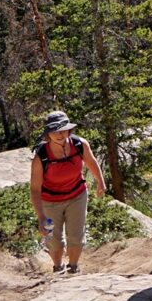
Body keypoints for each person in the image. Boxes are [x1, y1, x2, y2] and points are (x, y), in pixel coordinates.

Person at [29, 111, 105, 275]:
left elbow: (91, 162)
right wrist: (41, 216)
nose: (59, 134)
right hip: (49, 202)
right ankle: (57, 267)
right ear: (48, 134)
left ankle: (73, 267)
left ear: (69, 130)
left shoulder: (79, 145)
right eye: (55, 131)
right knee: (52, 239)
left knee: (76, 237)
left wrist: (100, 181)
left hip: (77, 196)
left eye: (63, 130)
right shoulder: (41, 157)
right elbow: (35, 189)